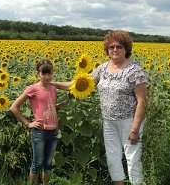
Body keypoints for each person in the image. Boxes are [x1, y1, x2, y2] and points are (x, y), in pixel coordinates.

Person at [53, 30, 147, 185]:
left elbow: (142, 101)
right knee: (112, 157)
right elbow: (78, 84)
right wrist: (54, 84)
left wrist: (135, 129)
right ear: (107, 50)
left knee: (133, 159)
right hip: (109, 122)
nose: (115, 50)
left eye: (119, 46)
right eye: (111, 47)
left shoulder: (134, 71)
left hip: (129, 122)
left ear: (126, 49)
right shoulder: (102, 68)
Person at [10, 59, 69, 185]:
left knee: (48, 163)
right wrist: (28, 123)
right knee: (37, 163)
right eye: (44, 73)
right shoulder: (33, 89)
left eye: (49, 73)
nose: (47, 76)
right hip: (40, 132)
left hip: (53, 130)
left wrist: (60, 104)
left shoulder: (53, 88)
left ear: (53, 73)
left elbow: (49, 105)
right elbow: (14, 107)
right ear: (38, 73)